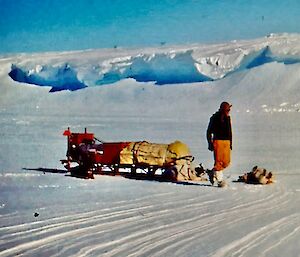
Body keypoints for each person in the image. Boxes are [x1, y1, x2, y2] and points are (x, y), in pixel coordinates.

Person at [206, 102, 232, 187]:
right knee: (218, 163)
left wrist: (230, 143)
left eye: (229, 109)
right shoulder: (215, 118)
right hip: (218, 142)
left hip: (226, 142)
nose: (229, 111)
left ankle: (212, 173)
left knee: (226, 162)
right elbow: (209, 131)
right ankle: (220, 181)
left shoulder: (228, 118)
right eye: (228, 109)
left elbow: (229, 131)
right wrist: (210, 143)